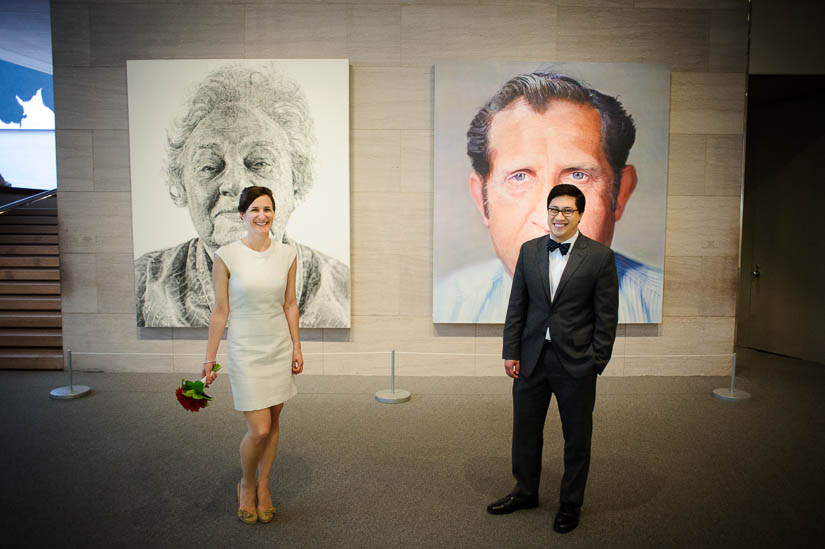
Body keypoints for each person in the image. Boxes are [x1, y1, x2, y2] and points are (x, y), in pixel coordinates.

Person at [434, 71, 662, 324]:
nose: (550, 218)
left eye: (578, 175)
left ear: (619, 193)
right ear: (481, 199)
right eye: (519, 177)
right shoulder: (446, 304)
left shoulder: (664, 307)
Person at [134, 63, 349, 328]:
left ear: (297, 182)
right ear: (181, 186)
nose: (234, 185)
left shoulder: (341, 289)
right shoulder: (142, 283)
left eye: (259, 163)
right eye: (209, 166)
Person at [486, 184, 619, 534]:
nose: (559, 217)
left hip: (576, 363)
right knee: (525, 432)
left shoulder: (599, 257)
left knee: (576, 438)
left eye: (567, 211)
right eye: (554, 210)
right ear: (548, 212)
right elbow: (518, 306)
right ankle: (525, 491)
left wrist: (596, 361)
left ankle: (570, 504)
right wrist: (511, 351)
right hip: (532, 358)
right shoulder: (529, 251)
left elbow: (607, 316)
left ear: (579, 214)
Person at [202, 185, 304, 525]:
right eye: (255, 210)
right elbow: (220, 312)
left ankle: (263, 486)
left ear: (274, 214)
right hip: (245, 347)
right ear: (243, 215)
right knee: (258, 429)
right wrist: (209, 360)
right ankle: (245, 484)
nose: (262, 215)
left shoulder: (287, 254)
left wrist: (297, 347)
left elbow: (290, 304)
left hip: (278, 345)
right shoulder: (227, 256)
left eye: (268, 209)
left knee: (274, 422)